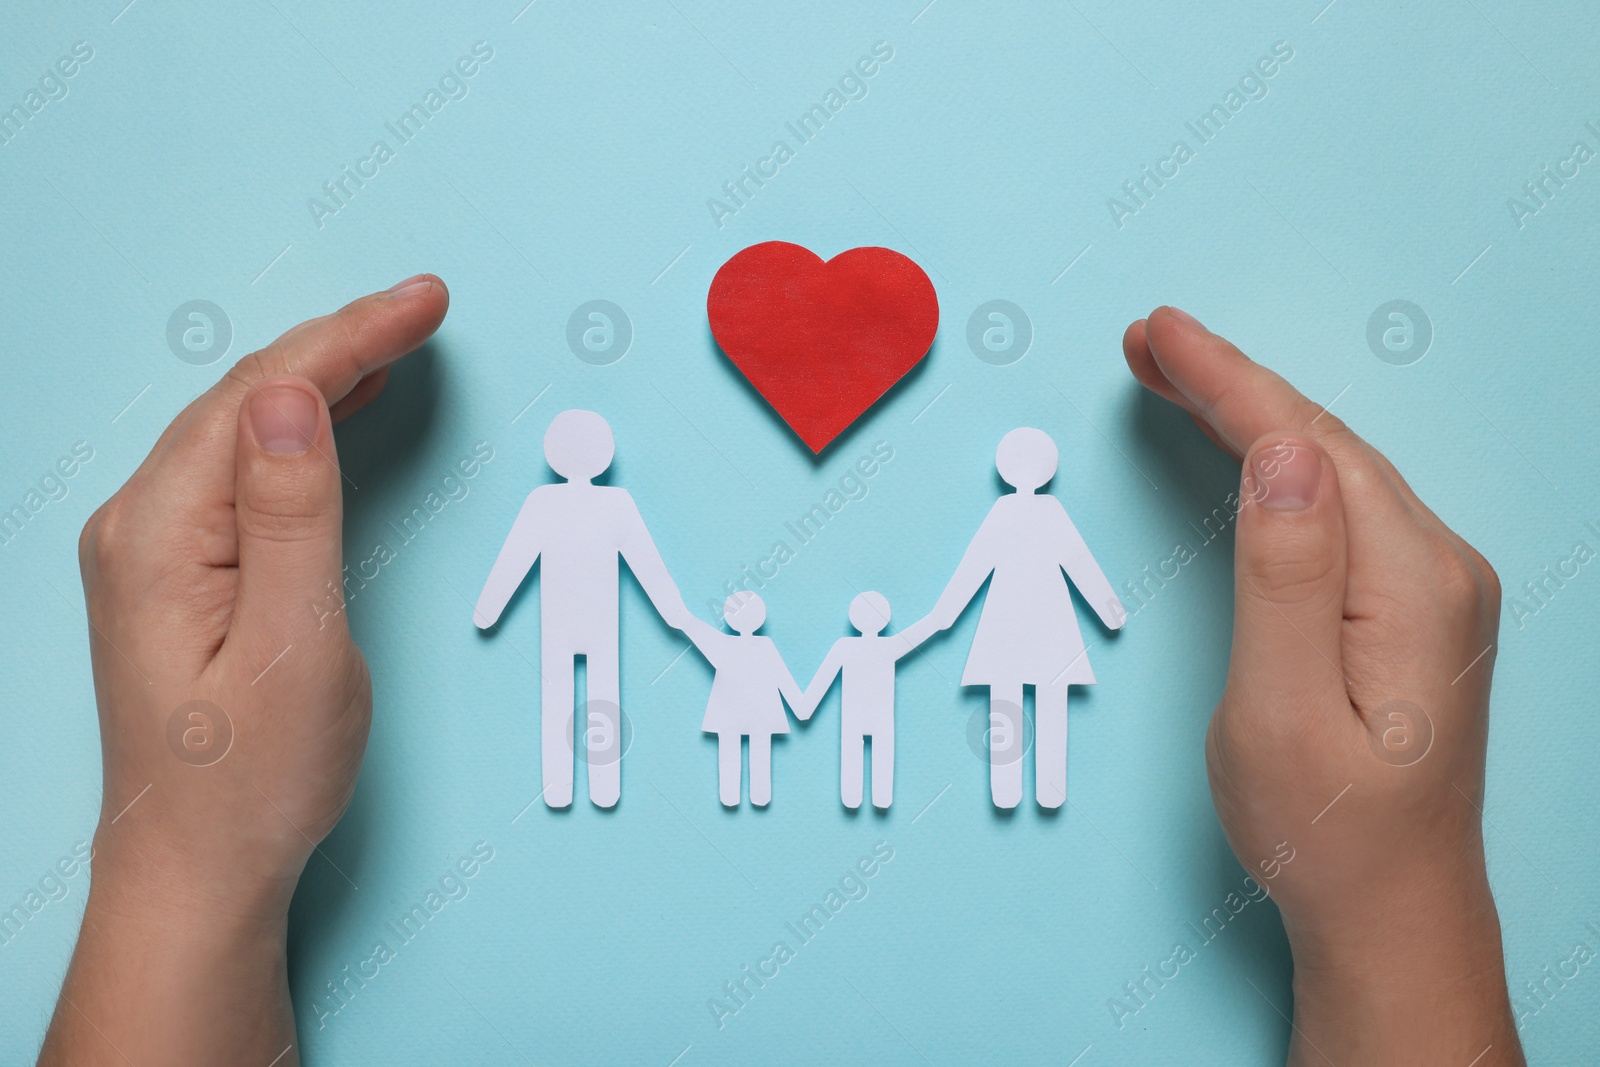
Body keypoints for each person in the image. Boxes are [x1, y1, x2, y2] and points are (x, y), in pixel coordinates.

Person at [37, 285, 1524, 1066]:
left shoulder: (601, 503)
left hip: (966, 649)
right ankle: (595, 762)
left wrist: (178, 867)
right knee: (590, 703)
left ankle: (600, 760)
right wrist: (1405, 906)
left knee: (973, 722)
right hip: (740, 646)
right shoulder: (590, 505)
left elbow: (685, 587)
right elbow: (617, 586)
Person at [474, 408, 693, 808]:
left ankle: (559, 789)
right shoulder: (615, 503)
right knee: (602, 702)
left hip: (561, 623)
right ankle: (604, 789)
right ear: (605, 455)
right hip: (599, 623)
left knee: (557, 700)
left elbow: (514, 558)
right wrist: (673, 611)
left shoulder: (544, 501)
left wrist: (488, 610)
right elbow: (646, 562)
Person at [916, 426, 1125, 810]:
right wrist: (1110, 610)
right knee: (1048, 704)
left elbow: (975, 567)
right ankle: (1046, 790)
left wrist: (944, 614)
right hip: (1048, 625)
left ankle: (1008, 791)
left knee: (1007, 707)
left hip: (1006, 627)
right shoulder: (1047, 511)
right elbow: (1078, 562)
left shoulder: (1007, 512)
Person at [800, 591, 935, 809]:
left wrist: (804, 706)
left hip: (855, 718)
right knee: (882, 752)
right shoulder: (889, 646)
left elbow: (822, 681)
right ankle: (880, 799)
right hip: (880, 718)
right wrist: (937, 619)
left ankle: (853, 799)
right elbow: (921, 631)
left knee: (853, 754)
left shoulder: (845, 646)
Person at [682, 592, 808, 807]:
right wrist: (801, 705)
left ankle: (731, 797)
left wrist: (684, 619)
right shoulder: (762, 645)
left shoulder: (725, 645)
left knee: (731, 751)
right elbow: (783, 679)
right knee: (759, 752)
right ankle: (758, 796)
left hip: (732, 715)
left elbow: (698, 632)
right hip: (761, 714)